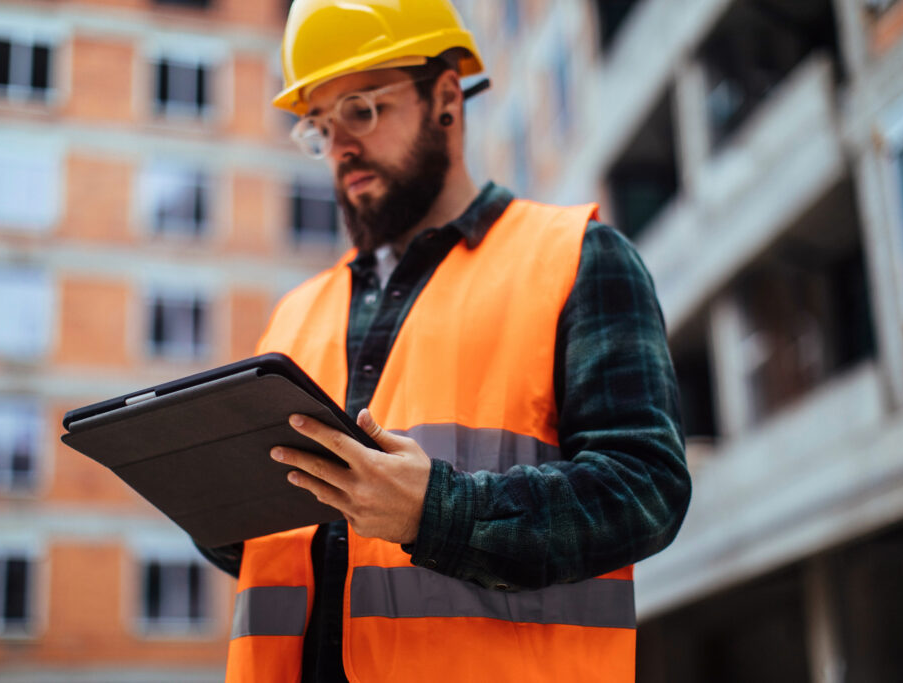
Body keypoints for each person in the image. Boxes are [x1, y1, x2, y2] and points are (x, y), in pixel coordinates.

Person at [198, 1, 691, 681]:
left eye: (362, 109)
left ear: (447, 99)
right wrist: (214, 506)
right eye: (319, 124)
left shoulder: (576, 258)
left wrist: (437, 514)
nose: (339, 145)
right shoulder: (293, 316)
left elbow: (646, 490)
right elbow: (281, 553)